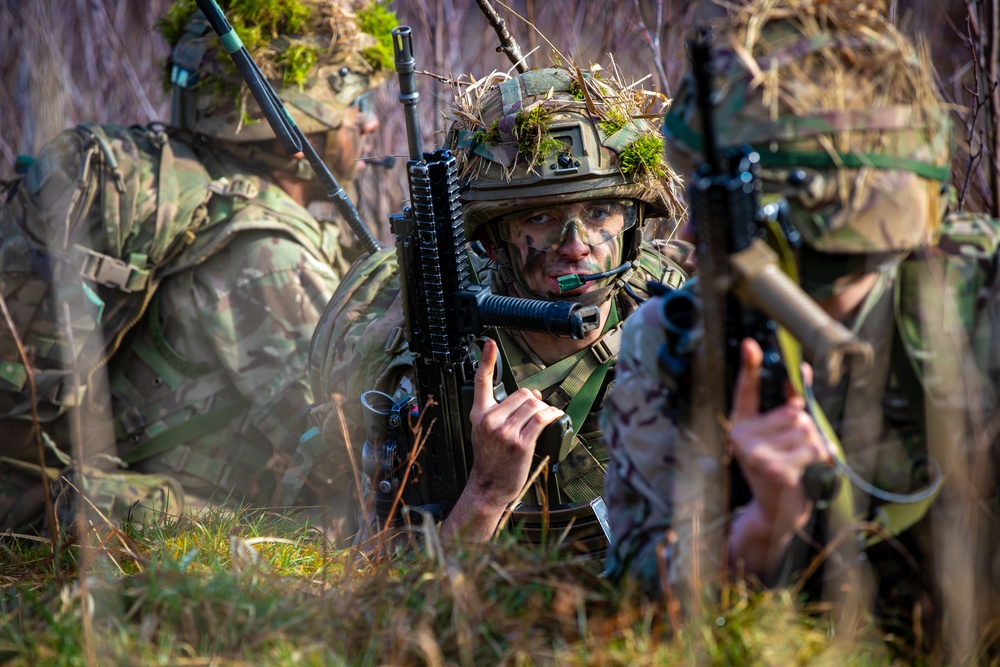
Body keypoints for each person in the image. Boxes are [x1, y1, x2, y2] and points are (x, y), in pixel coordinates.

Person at [603, 0, 1000, 653]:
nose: (691, 231)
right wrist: (752, 538)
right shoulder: (672, 341)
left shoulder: (977, 305)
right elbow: (629, 607)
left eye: (717, 200)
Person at [0, 0, 394, 531]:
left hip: (100, 474)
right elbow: (337, 456)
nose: (370, 122)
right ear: (296, 127)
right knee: (316, 536)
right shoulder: (266, 251)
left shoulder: (201, 191)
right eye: (356, 101)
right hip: (102, 510)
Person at [306, 65, 693, 546]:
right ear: (490, 239)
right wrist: (486, 493)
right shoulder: (431, 359)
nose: (576, 247)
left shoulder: (677, 312)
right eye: (540, 217)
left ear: (633, 223)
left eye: (598, 213)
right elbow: (392, 591)